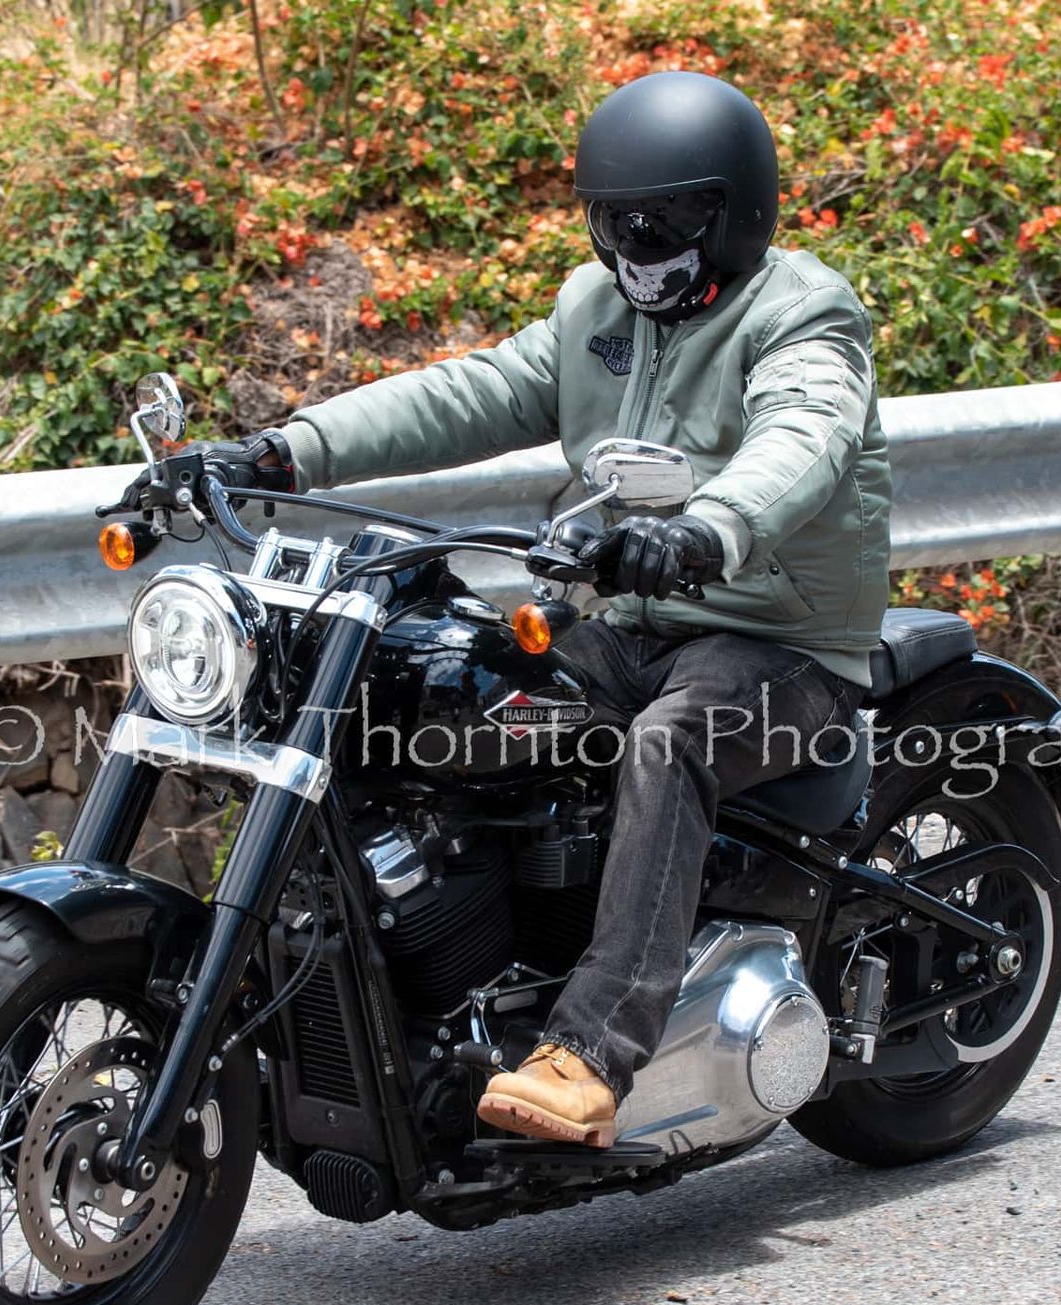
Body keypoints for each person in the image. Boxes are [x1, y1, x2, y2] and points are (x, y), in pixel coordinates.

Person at [196, 70, 891, 1145]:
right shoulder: (594, 309)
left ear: (738, 208)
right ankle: (451, 977)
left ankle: (594, 1052)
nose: (644, 238)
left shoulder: (802, 314)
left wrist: (707, 529)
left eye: (673, 215)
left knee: (669, 747)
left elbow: (801, 440)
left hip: (782, 643)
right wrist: (287, 448)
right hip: (633, 623)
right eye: (620, 217)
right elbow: (468, 392)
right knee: (453, 690)